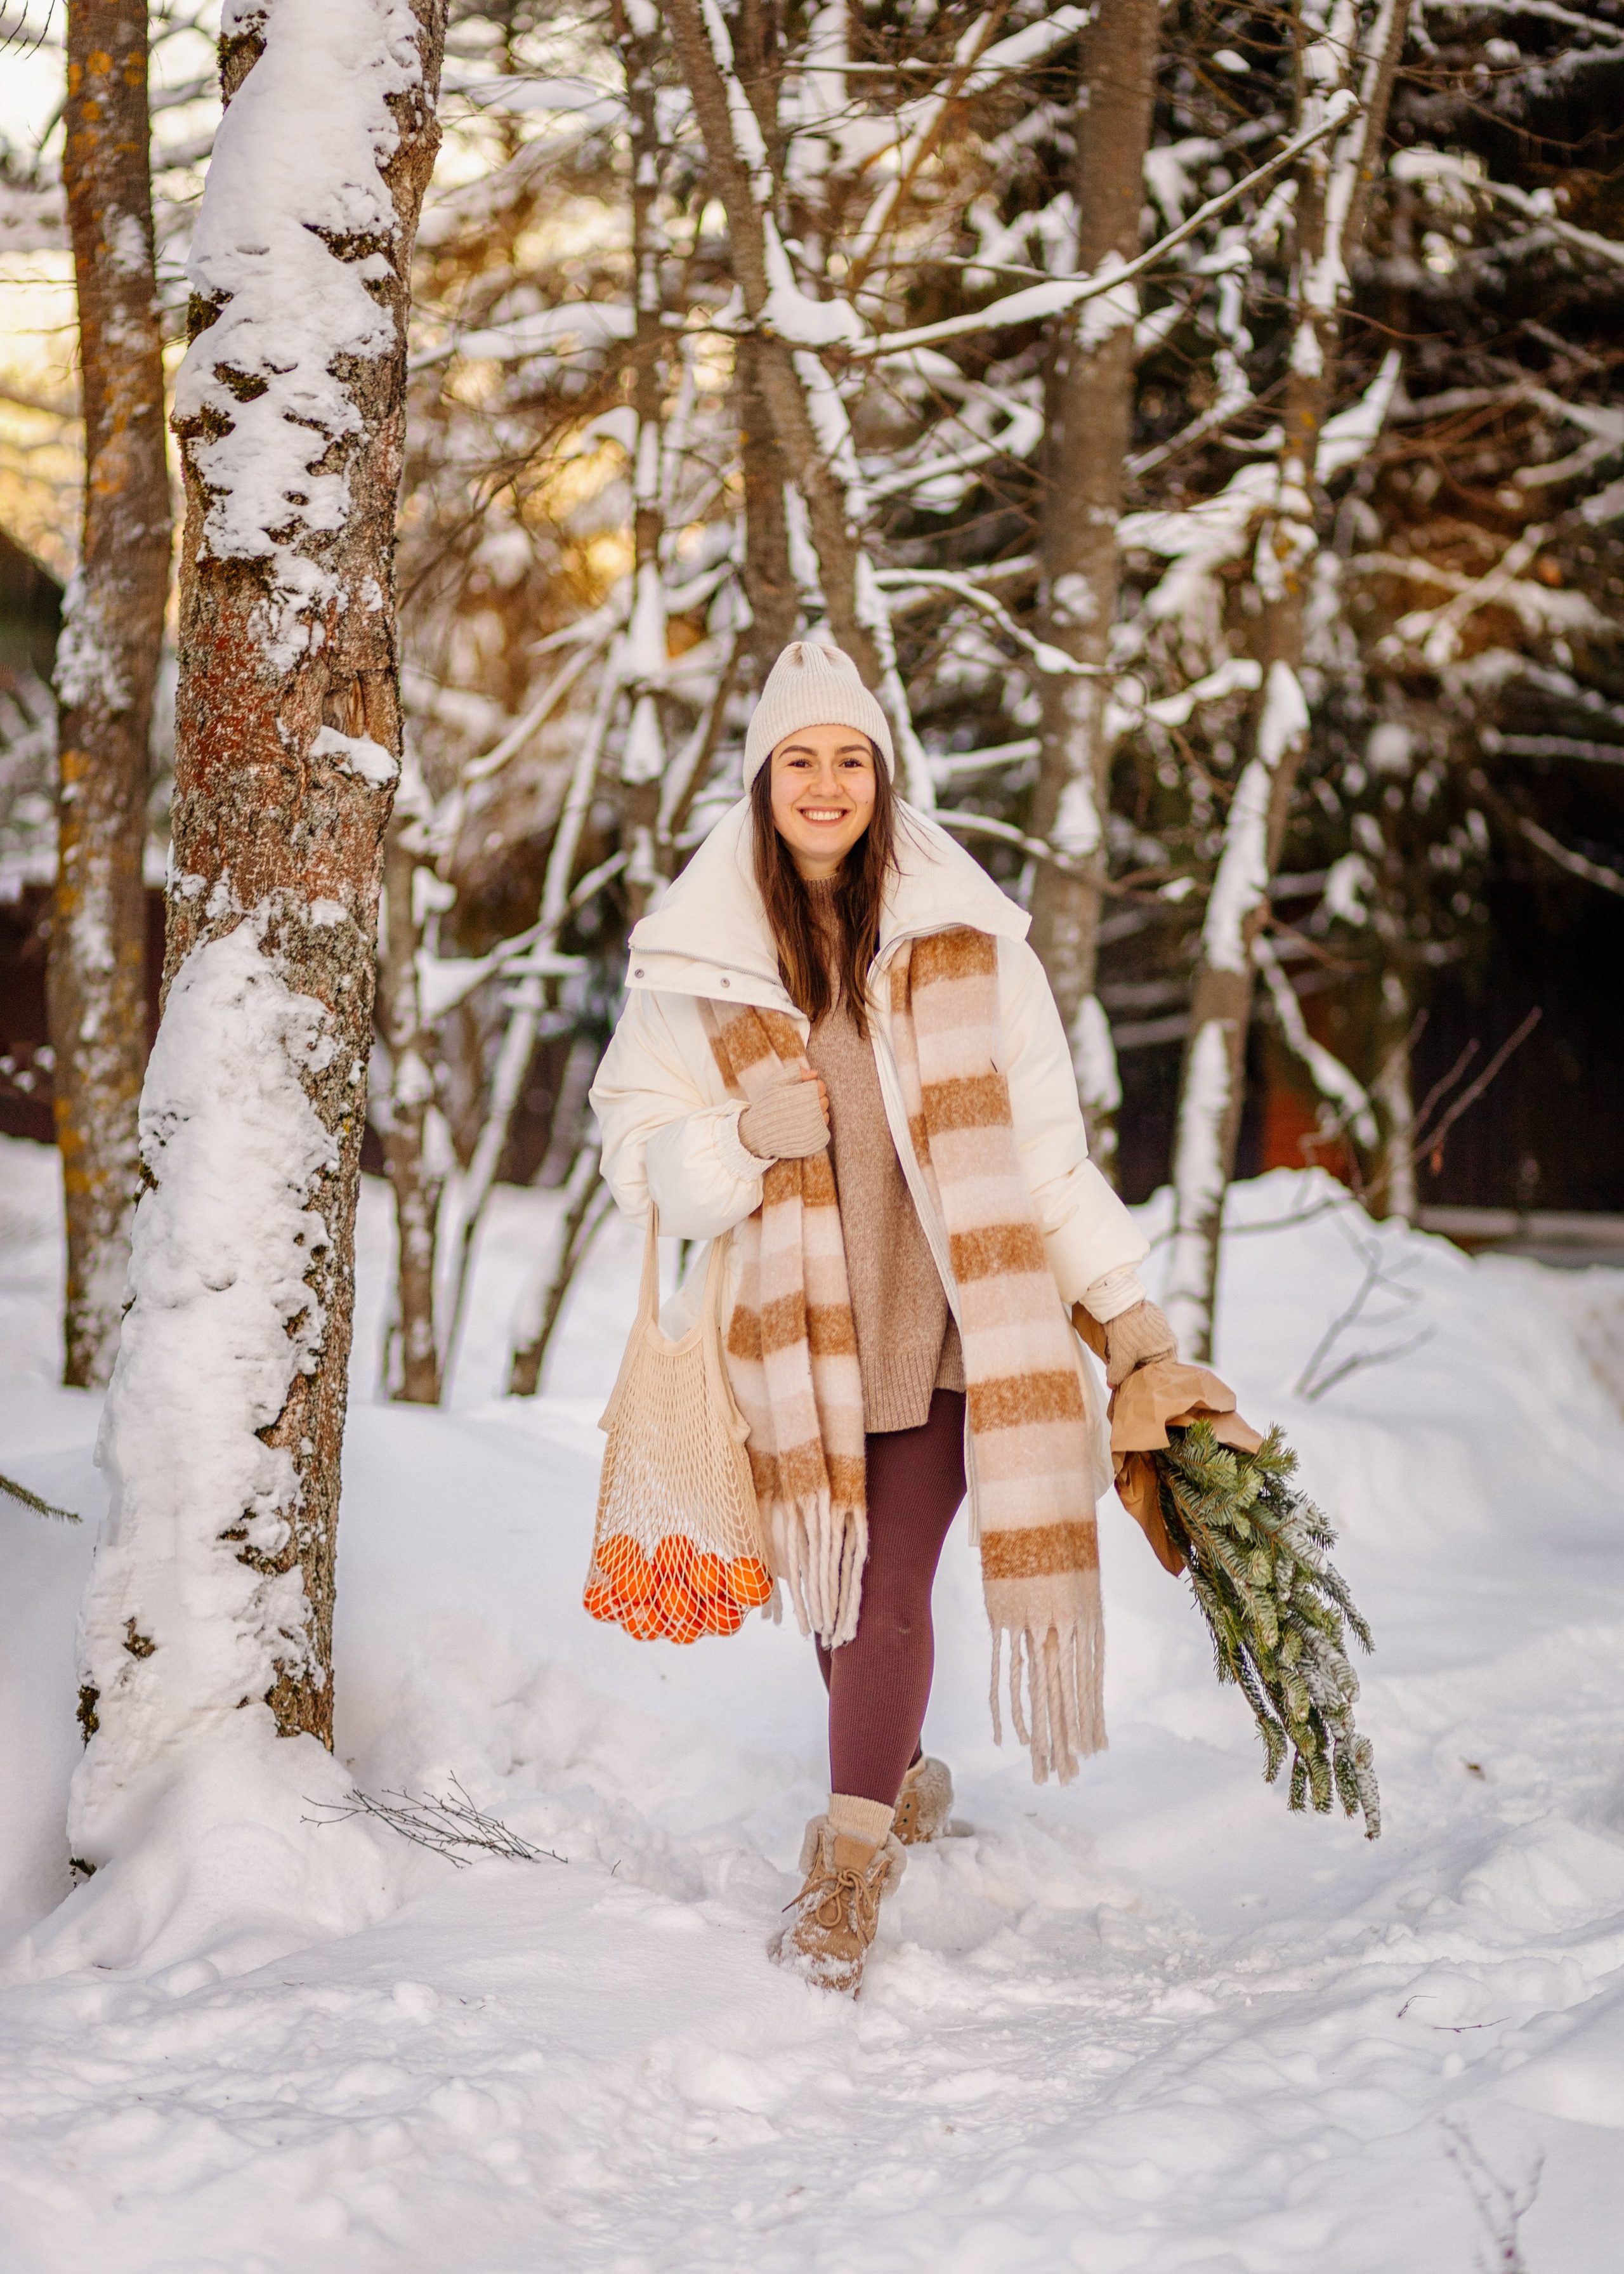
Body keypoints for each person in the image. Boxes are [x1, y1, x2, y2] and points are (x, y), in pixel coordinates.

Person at [591, 641, 1177, 1995]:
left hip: (959, 1325)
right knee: (836, 1587)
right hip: (795, 1343)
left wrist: (1127, 1314)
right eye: (798, 759)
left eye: (849, 759)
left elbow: (1044, 1160)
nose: (825, 783)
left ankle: (846, 1872)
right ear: (761, 781)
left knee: (878, 1585)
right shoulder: (700, 961)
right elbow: (639, 1166)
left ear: (881, 777)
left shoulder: (969, 946)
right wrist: (741, 1135)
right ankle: (899, 1771)